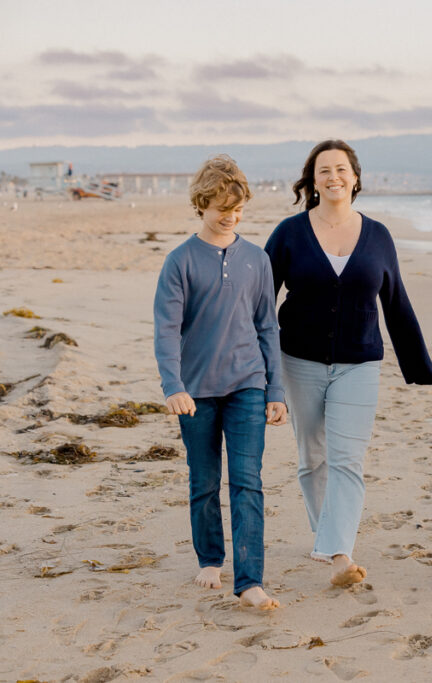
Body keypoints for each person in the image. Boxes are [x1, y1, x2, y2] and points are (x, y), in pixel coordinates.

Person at [264, 139, 432, 588]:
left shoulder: (377, 234)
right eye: (324, 170)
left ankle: (339, 553)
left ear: (355, 178)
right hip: (297, 361)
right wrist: (258, 370)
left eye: (342, 169)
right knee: (312, 459)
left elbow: (395, 300)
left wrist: (417, 366)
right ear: (312, 180)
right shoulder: (288, 233)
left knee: (347, 459)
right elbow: (259, 303)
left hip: (360, 363)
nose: (334, 177)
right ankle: (328, 537)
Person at [154, 155, 286, 610]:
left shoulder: (257, 260)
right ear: (201, 205)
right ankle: (210, 559)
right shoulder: (180, 261)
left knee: (248, 480)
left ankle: (250, 582)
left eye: (237, 207)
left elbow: (268, 327)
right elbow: (167, 329)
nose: (230, 215)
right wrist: (173, 385)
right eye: (220, 206)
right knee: (205, 480)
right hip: (195, 391)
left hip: (247, 384)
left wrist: (276, 390)